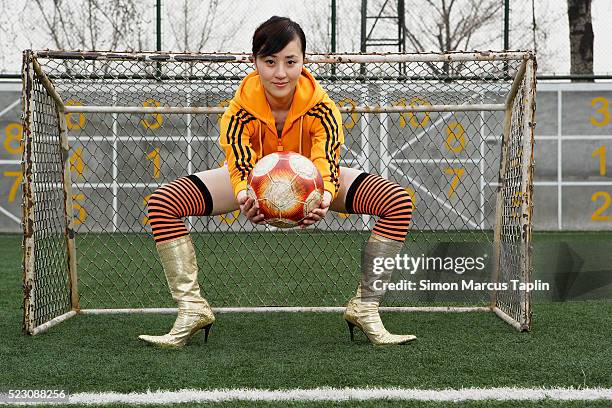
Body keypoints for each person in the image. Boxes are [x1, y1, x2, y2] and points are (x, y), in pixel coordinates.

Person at [138, 16, 416, 348]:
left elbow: (325, 160)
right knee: (164, 202)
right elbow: (239, 161)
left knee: (396, 201)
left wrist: (325, 196)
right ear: (254, 62)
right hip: (254, 181)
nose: (280, 72)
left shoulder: (322, 108)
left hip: (313, 180)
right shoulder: (240, 109)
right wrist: (244, 195)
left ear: (304, 61)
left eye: (290, 61)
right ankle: (192, 309)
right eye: (269, 62)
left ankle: (366, 307)